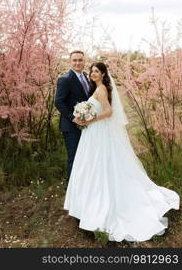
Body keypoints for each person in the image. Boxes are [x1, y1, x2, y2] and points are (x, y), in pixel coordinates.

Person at [64, 62, 180, 242]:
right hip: (95, 132)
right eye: (92, 71)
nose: (93, 74)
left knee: (97, 166)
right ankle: (86, 206)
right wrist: (84, 116)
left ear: (103, 74)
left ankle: (96, 207)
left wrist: (89, 120)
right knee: (91, 166)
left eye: (96, 71)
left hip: (98, 130)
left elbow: (109, 112)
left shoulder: (101, 89)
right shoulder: (98, 88)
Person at [55, 50, 91, 182]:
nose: (78, 63)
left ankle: (84, 185)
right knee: (74, 157)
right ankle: (72, 190)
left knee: (86, 157)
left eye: (80, 60)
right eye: (75, 60)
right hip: (71, 126)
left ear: (84, 61)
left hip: (87, 125)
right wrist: (73, 118)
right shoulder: (65, 79)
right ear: (70, 62)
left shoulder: (87, 77)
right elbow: (58, 102)